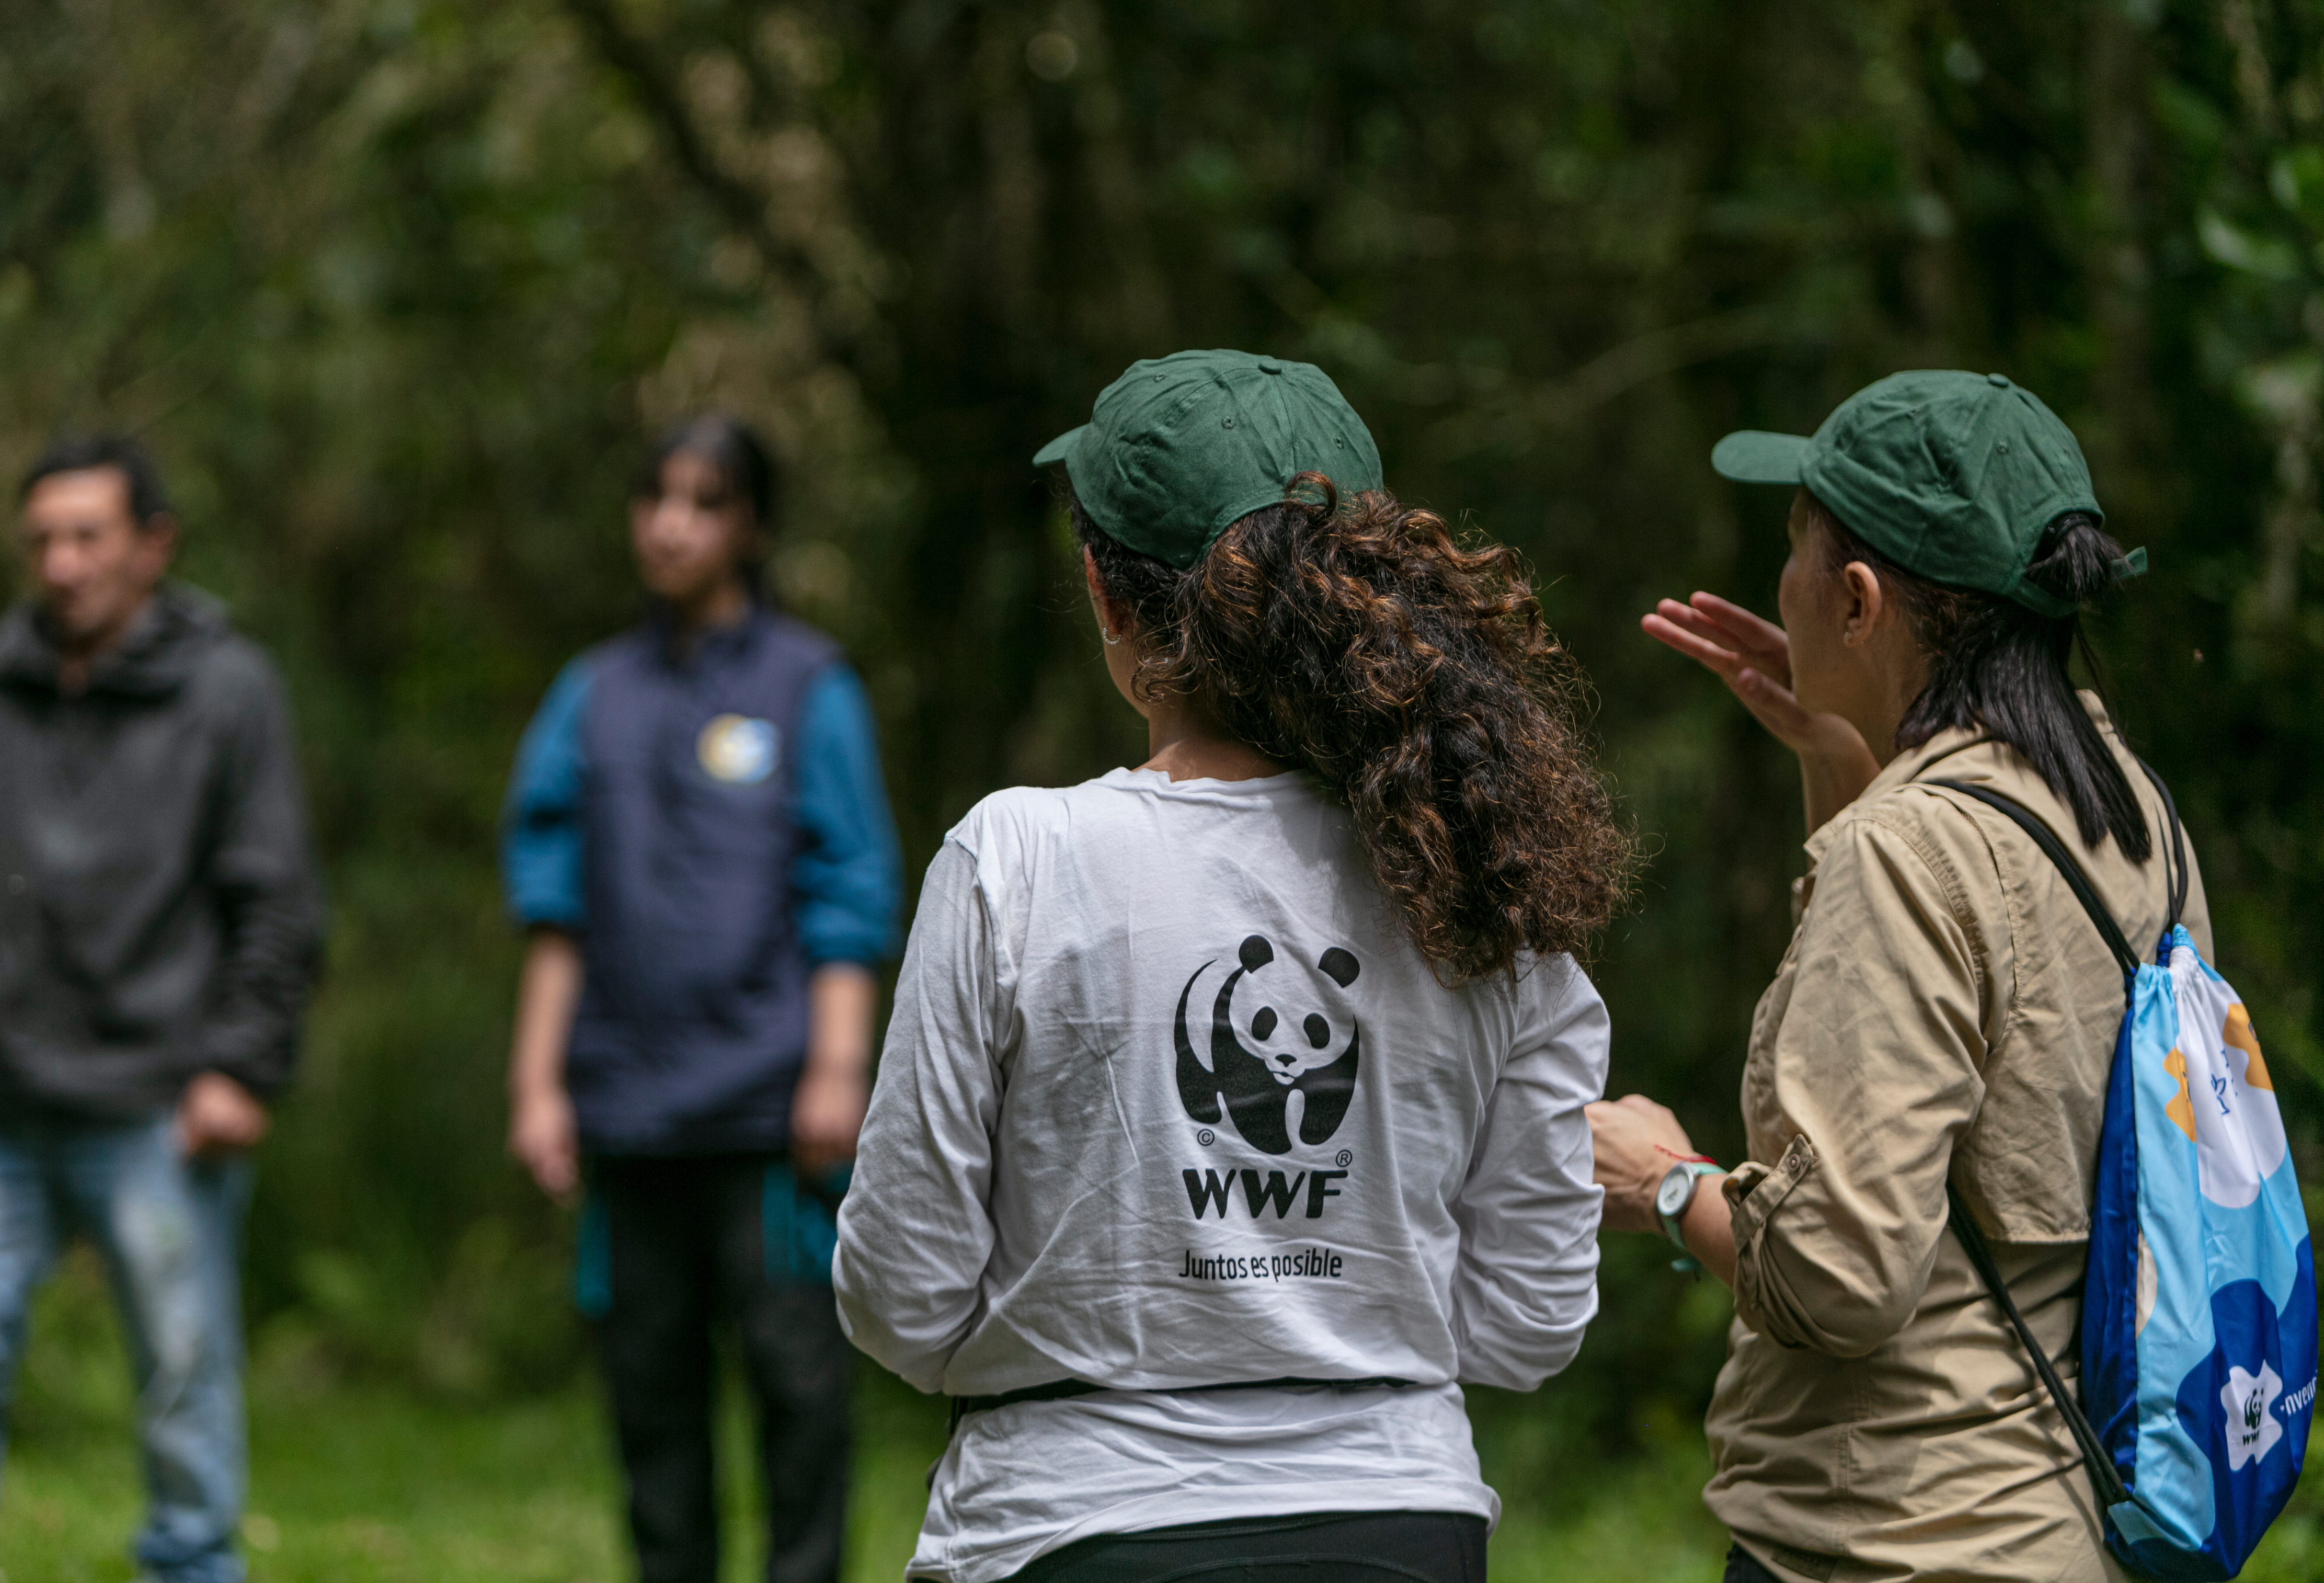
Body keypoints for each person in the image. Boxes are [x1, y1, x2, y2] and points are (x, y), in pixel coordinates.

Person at [834, 349, 1634, 1583]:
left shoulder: (1020, 859)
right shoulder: (1485, 871)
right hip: (1403, 1533)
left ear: (1107, 593)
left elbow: (901, 1293)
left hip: (1071, 1528)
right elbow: (1526, 1326)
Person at [1588, 370, 2203, 1583]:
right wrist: (1842, 746)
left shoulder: (1908, 849)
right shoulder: (2130, 806)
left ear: (1857, 599)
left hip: (1889, 1540)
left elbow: (1837, 1274)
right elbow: (1986, 1029)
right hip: (2074, 1524)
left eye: (1794, 550)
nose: (1787, 583)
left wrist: (1664, 1182)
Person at [0, 434, 324, 1583]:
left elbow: (278, 898)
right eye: (42, 538)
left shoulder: (228, 690)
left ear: (153, 546)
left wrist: (241, 1069)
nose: (61, 563)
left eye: (88, 535)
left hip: (162, 1106)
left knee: (180, 1373)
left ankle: (195, 1567)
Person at [500, 414, 902, 1583]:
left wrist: (837, 1066)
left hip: (769, 1118)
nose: (673, 523)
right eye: (657, 496)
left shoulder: (808, 686)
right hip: (625, 1113)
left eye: (706, 500)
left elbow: (850, 888)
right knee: (650, 1404)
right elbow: (554, 907)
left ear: (752, 526)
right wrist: (537, 1085)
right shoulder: (592, 695)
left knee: (800, 1392)